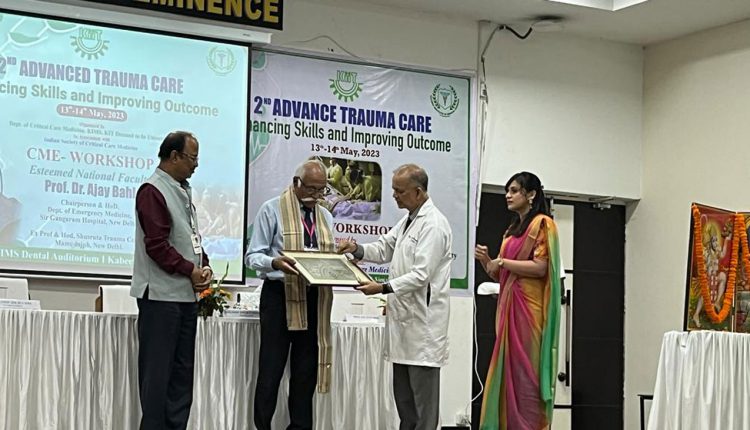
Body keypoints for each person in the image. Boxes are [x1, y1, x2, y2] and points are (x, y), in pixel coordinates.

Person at [338, 163, 452, 430]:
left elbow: (421, 275)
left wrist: (382, 288)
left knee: (423, 409)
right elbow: (383, 248)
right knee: (404, 403)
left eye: (400, 191)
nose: (394, 196)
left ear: (418, 192)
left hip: (423, 329)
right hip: (402, 327)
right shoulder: (409, 219)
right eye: (393, 190)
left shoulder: (434, 225)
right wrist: (356, 248)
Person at [130, 131, 213, 430]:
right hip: (160, 299)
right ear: (174, 156)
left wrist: (204, 265)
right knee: (157, 377)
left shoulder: (183, 190)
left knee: (181, 376)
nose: (196, 165)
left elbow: (189, 238)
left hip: (185, 297)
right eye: (192, 158)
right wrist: (189, 270)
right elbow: (157, 246)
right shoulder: (153, 190)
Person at [245, 159, 336, 430]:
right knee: (271, 370)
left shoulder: (326, 216)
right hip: (279, 295)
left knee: (305, 371)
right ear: (296, 183)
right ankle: (262, 426)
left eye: (321, 190)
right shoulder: (271, 209)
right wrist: (274, 262)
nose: (316, 196)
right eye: (311, 188)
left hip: (314, 298)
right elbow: (253, 256)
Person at [474, 171, 561, 430]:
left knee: (527, 375)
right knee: (508, 371)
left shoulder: (543, 224)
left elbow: (540, 267)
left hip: (530, 311)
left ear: (531, 194)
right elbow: (500, 274)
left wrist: (502, 262)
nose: (508, 196)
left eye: (514, 190)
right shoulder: (511, 231)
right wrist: (487, 261)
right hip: (509, 307)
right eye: (507, 191)